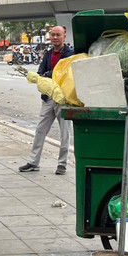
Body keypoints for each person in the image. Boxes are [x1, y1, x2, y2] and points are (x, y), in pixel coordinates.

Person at [19, 25, 74, 175]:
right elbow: (40, 73)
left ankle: (62, 164)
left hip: (63, 99)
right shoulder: (48, 54)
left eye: (58, 35)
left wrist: (48, 74)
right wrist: (44, 76)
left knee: (65, 133)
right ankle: (33, 162)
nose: (55, 37)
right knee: (40, 130)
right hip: (48, 98)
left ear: (64, 37)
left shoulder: (70, 54)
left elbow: (65, 73)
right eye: (53, 35)